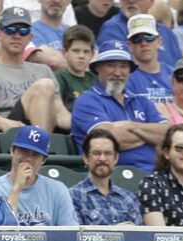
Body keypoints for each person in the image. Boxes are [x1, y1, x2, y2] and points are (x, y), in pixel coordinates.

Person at [70, 43, 168, 172]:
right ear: (98, 68)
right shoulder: (87, 101)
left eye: (123, 66)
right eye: (111, 65)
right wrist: (150, 137)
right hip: (113, 177)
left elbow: (168, 135)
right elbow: (106, 141)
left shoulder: (141, 100)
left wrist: (131, 126)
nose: (118, 73)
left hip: (156, 175)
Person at [0, 7, 71, 133]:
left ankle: (40, 145)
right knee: (44, 85)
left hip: (43, 126)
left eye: (23, 31)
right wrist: (1, 122)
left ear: (30, 38)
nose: (17, 36)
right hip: (9, 130)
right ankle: (40, 146)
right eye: (10, 30)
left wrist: (91, 123)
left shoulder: (44, 70)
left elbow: (60, 113)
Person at [0, 124, 78, 226]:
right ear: (12, 151)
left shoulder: (58, 190)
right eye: (23, 151)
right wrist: (17, 188)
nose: (28, 158)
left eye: (35, 154)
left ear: (43, 160)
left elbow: (70, 235)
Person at [69, 127, 142, 225]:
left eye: (108, 153)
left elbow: (141, 238)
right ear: (86, 158)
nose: (102, 158)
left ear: (116, 158)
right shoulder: (73, 196)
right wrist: (116, 234)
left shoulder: (128, 198)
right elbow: (76, 237)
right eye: (96, 153)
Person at [97, 0, 182, 68]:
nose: (131, 1)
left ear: (151, 2)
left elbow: (179, 66)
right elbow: (115, 69)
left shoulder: (166, 32)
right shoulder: (112, 29)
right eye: (136, 39)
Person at [125, 13, 174, 104]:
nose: (144, 43)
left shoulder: (175, 75)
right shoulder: (124, 77)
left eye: (149, 37)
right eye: (137, 38)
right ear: (129, 45)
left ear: (159, 41)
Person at [55, 24, 96, 111]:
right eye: (76, 51)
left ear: (92, 55)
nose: (81, 56)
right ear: (65, 53)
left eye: (86, 52)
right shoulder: (59, 78)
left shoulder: (95, 79)